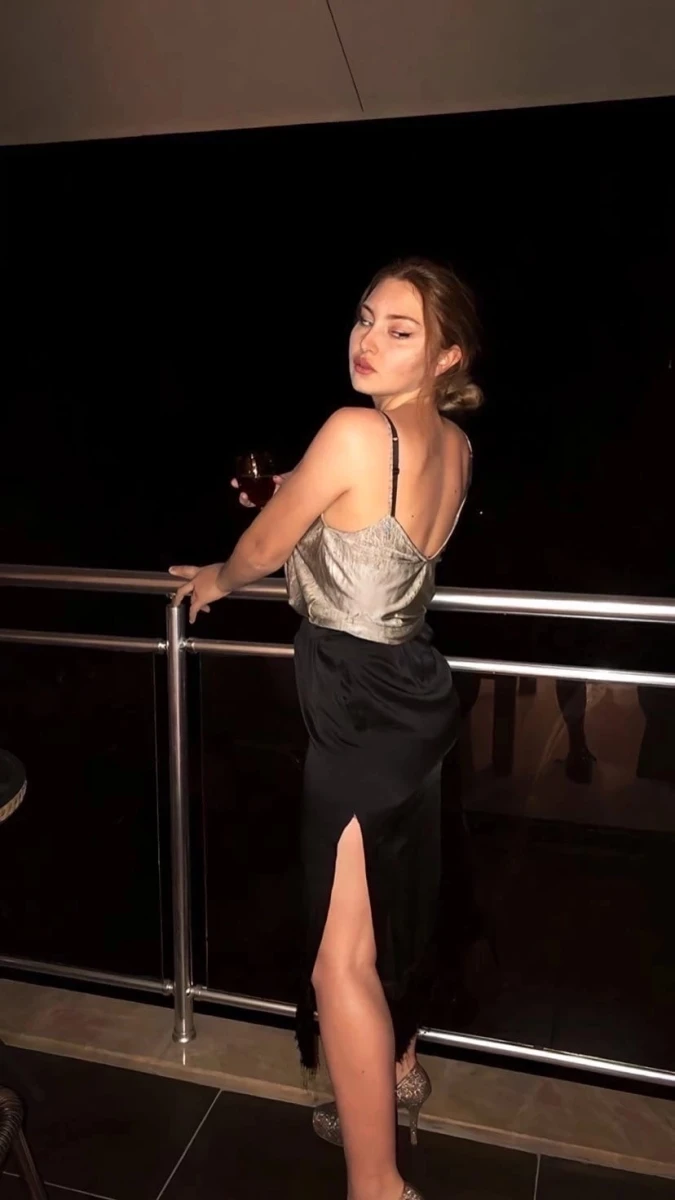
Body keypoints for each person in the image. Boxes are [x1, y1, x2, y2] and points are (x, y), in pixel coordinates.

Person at [170, 257, 481, 1200]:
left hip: (355, 701)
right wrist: (293, 493)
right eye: (364, 318)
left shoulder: (354, 429)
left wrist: (217, 579)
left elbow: (268, 547)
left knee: (339, 956)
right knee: (396, 906)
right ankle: (394, 1070)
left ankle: (377, 1183)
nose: (367, 340)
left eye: (400, 330)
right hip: (416, 689)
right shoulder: (456, 446)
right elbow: (358, 528)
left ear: (446, 356)